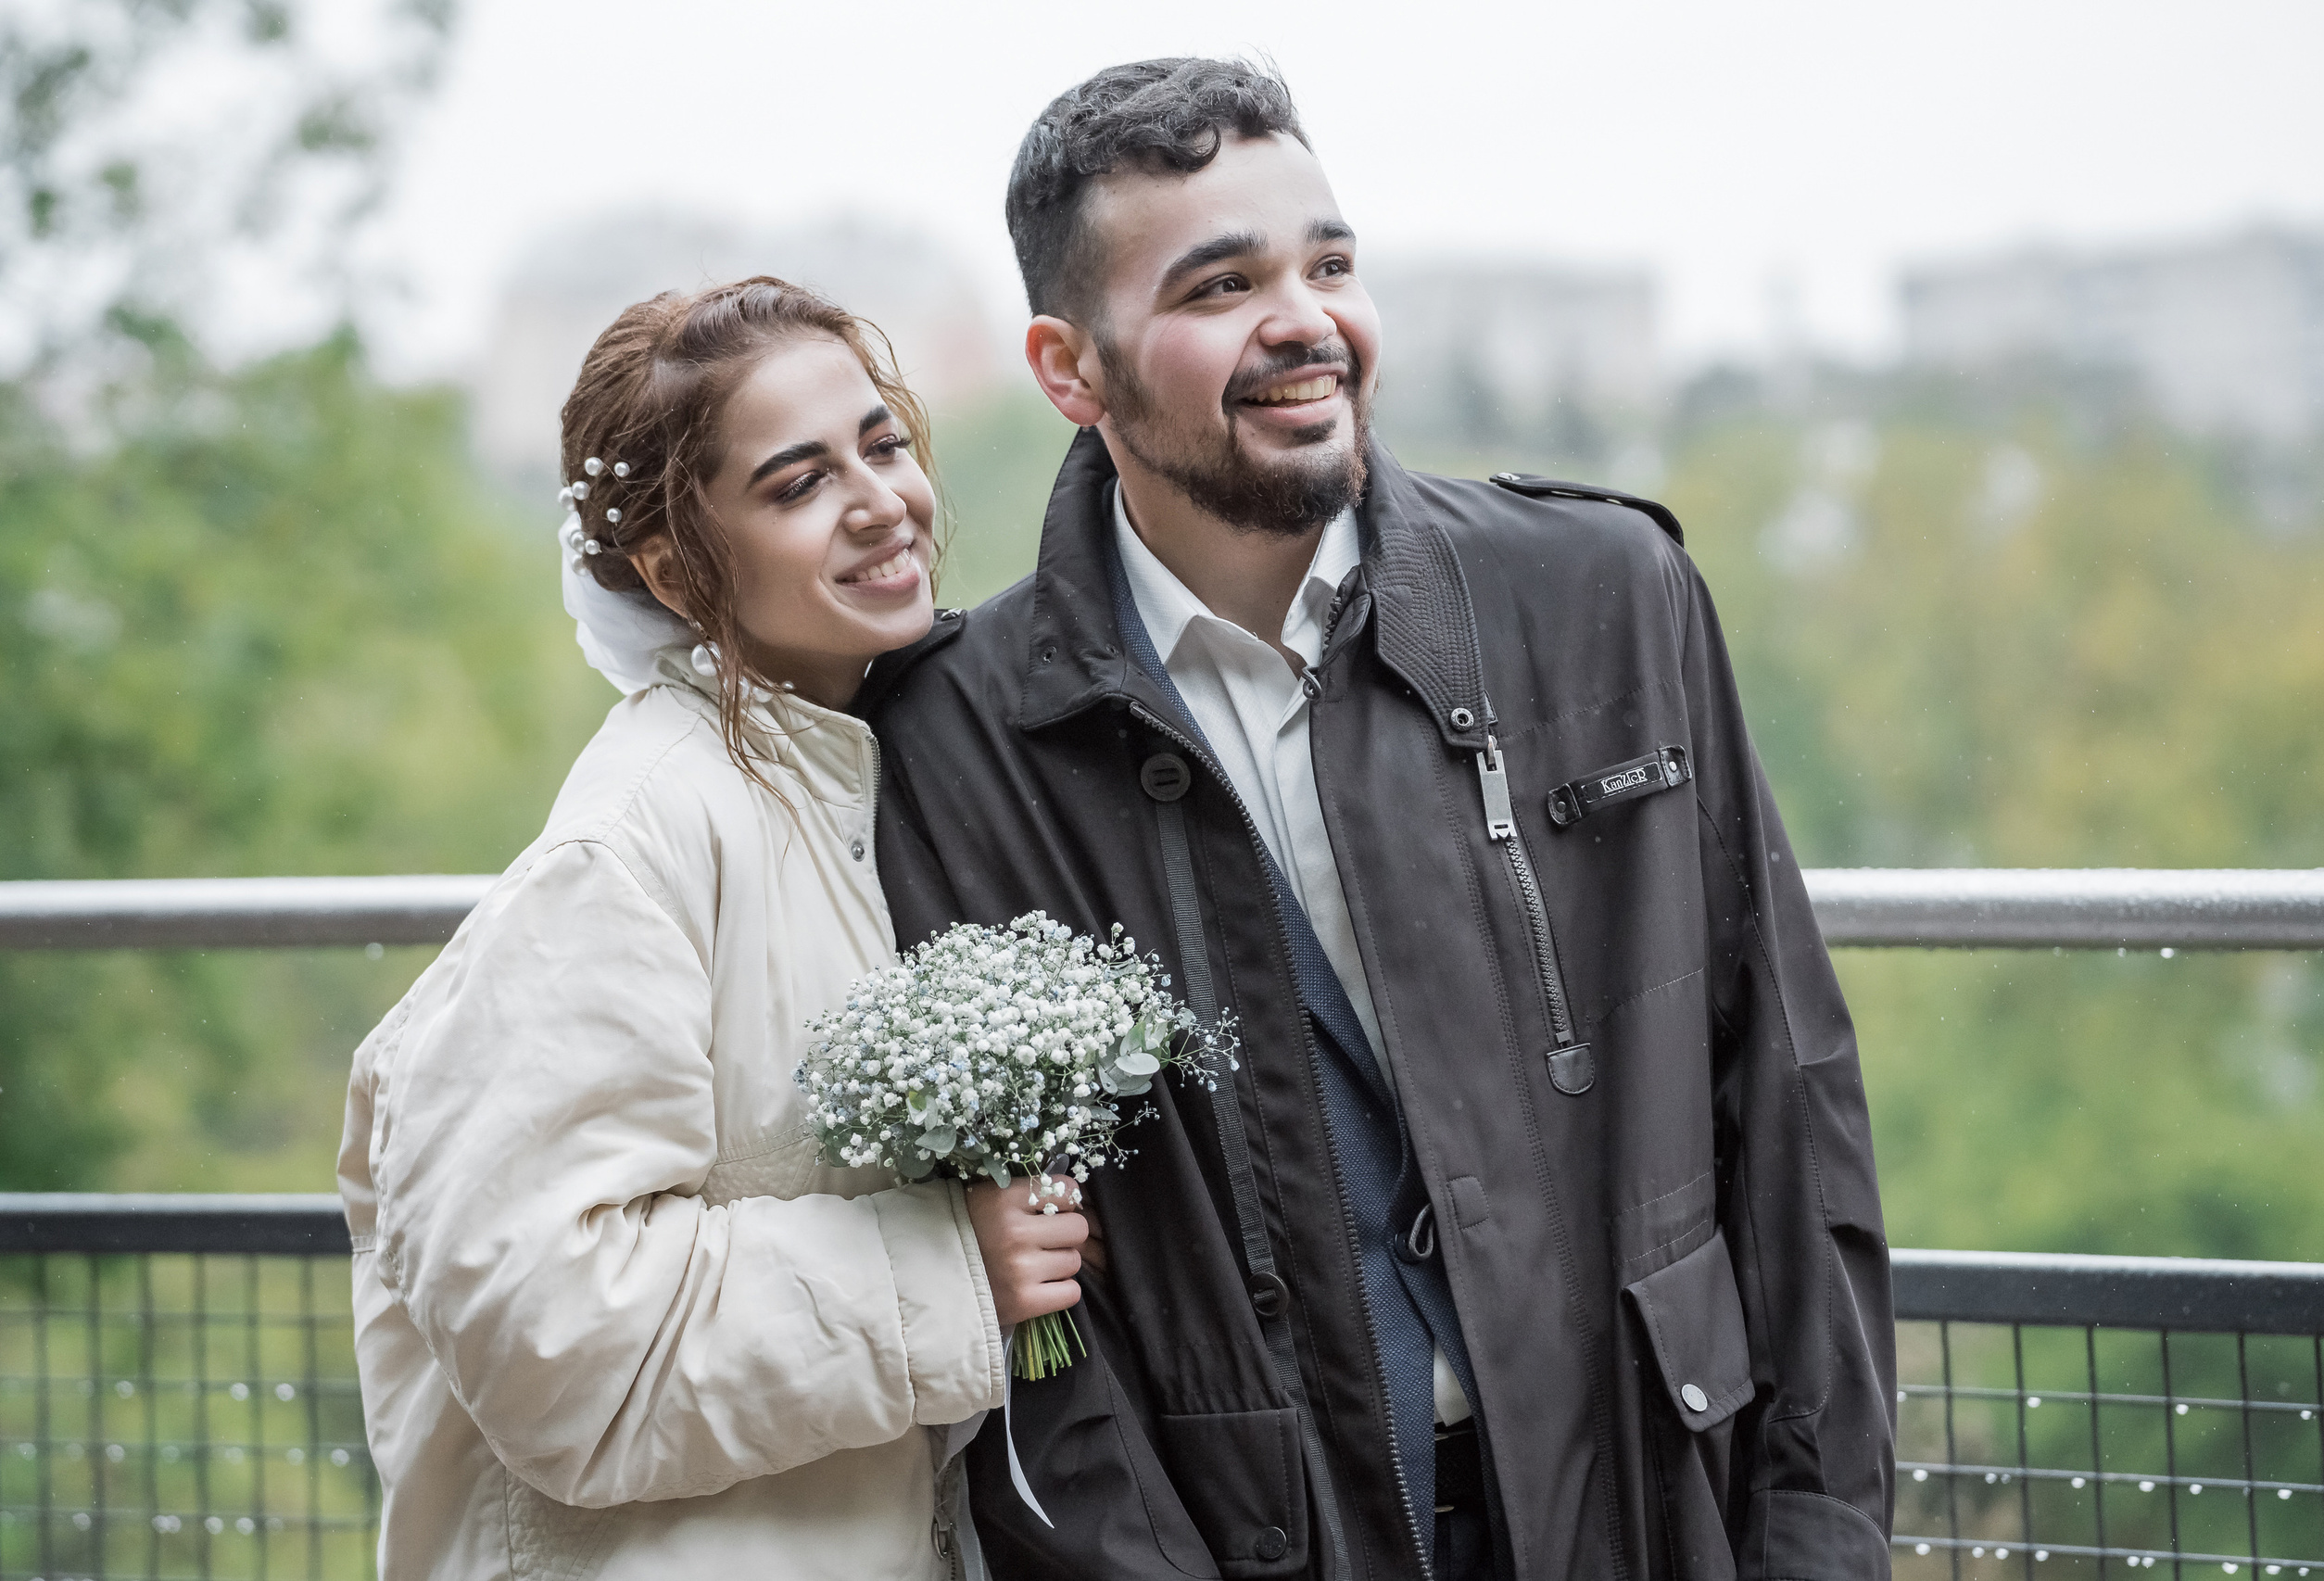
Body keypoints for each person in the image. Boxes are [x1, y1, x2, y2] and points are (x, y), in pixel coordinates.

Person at [862, 60, 1896, 1581]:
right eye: (1222, 283)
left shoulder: (1607, 596)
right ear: (1070, 369)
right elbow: (1030, 1328)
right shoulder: (953, 739)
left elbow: (1788, 1107)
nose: (1304, 320)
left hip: (1653, 1506)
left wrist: (1813, 1541)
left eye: (1327, 264)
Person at [337, 277, 1094, 1579]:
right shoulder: (629, 845)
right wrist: (948, 1265)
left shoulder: (842, 787)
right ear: (678, 569)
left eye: (884, 442)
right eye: (798, 484)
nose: (881, 502)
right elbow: (550, 1334)